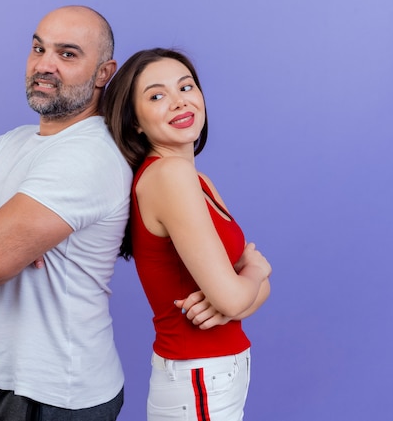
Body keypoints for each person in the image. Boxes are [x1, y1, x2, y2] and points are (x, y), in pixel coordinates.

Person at [0, 5, 131, 421]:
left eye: (67, 54)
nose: (44, 65)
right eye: (38, 48)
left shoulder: (89, 154)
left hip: (58, 393)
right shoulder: (12, 143)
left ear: (104, 73)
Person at [102, 48, 272, 421]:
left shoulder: (198, 181)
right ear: (135, 123)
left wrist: (233, 297)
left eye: (186, 86)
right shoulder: (168, 176)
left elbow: (240, 299)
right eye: (157, 95)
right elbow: (239, 292)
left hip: (213, 376)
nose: (179, 102)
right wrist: (256, 270)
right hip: (199, 378)